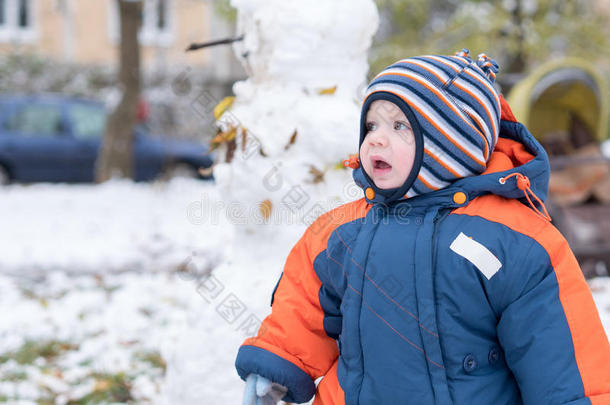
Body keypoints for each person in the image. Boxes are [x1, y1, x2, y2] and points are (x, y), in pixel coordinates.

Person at [235, 49, 610, 405]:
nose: (376, 138)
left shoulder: (514, 240)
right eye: (371, 124)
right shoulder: (342, 231)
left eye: (400, 125)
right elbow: (304, 303)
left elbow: (558, 348)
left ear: (451, 144)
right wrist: (278, 361)